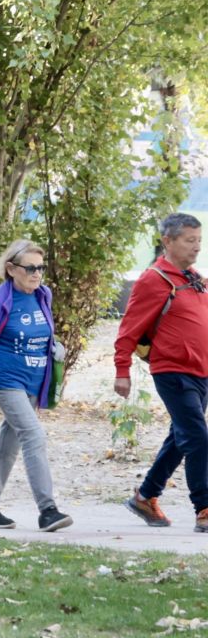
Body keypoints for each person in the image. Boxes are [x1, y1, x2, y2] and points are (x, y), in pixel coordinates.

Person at [0, 240, 72, 531]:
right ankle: (48, 509)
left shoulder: (42, 295)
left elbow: (43, 331)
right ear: (11, 269)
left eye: (40, 268)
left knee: (9, 442)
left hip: (33, 379)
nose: (36, 274)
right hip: (5, 379)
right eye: (30, 268)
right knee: (33, 434)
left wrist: (56, 345)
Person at [119, 213, 208, 531]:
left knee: (180, 438)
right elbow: (128, 329)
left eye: (199, 240)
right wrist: (122, 370)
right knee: (197, 437)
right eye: (189, 240)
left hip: (201, 372)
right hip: (172, 371)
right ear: (168, 241)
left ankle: (145, 496)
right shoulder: (154, 279)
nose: (197, 247)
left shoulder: (193, 277)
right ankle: (204, 507)